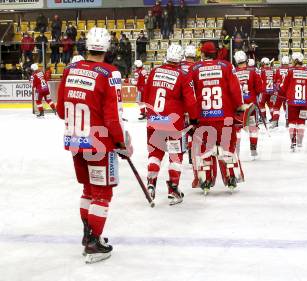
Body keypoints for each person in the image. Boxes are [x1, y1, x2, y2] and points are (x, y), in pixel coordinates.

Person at [56, 27, 132, 264]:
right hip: (99, 143)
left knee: (88, 190)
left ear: (86, 46)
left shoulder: (70, 70)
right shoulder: (110, 73)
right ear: (108, 48)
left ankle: (87, 234)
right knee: (102, 193)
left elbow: (61, 111)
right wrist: (121, 142)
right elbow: (113, 117)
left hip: (75, 140)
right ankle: (93, 242)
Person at [142, 44, 198, 205]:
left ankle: (151, 183)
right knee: (175, 155)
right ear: (180, 59)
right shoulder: (182, 75)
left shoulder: (154, 72)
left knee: (155, 154)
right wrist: (194, 119)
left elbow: (146, 96)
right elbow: (190, 101)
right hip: (173, 124)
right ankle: (173, 190)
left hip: (154, 121)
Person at [190, 41, 247, 194]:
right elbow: (235, 90)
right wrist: (239, 107)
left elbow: (190, 95)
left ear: (202, 53)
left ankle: (206, 179)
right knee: (228, 147)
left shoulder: (194, 69)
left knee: (205, 149)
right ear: (215, 53)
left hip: (203, 118)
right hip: (225, 117)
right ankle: (231, 177)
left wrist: (191, 115)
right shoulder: (227, 66)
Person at [275, 52, 307, 152]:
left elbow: (284, 88)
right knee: (301, 122)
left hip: (292, 103)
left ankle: (293, 142)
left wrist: (279, 89)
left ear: (295, 61)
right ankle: (299, 141)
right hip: (304, 103)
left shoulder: (290, 72)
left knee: (292, 122)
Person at [233, 50, 263, 157]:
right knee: (253, 127)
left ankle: (236, 150)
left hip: (238, 106)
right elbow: (260, 88)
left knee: (237, 129)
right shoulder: (253, 71)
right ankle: (253, 148)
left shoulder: (233, 72)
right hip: (251, 105)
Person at [271, 55, 291, 128]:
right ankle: (288, 122)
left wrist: (276, 90)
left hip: (279, 91)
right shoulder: (290, 70)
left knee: (276, 107)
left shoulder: (278, 69)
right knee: (287, 107)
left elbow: (275, 81)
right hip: (287, 91)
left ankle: (275, 122)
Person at [258, 57, 275, 123]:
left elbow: (259, 80)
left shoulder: (261, 70)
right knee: (271, 105)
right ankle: (273, 118)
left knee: (261, 104)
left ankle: (263, 118)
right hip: (271, 90)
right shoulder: (273, 70)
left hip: (264, 91)